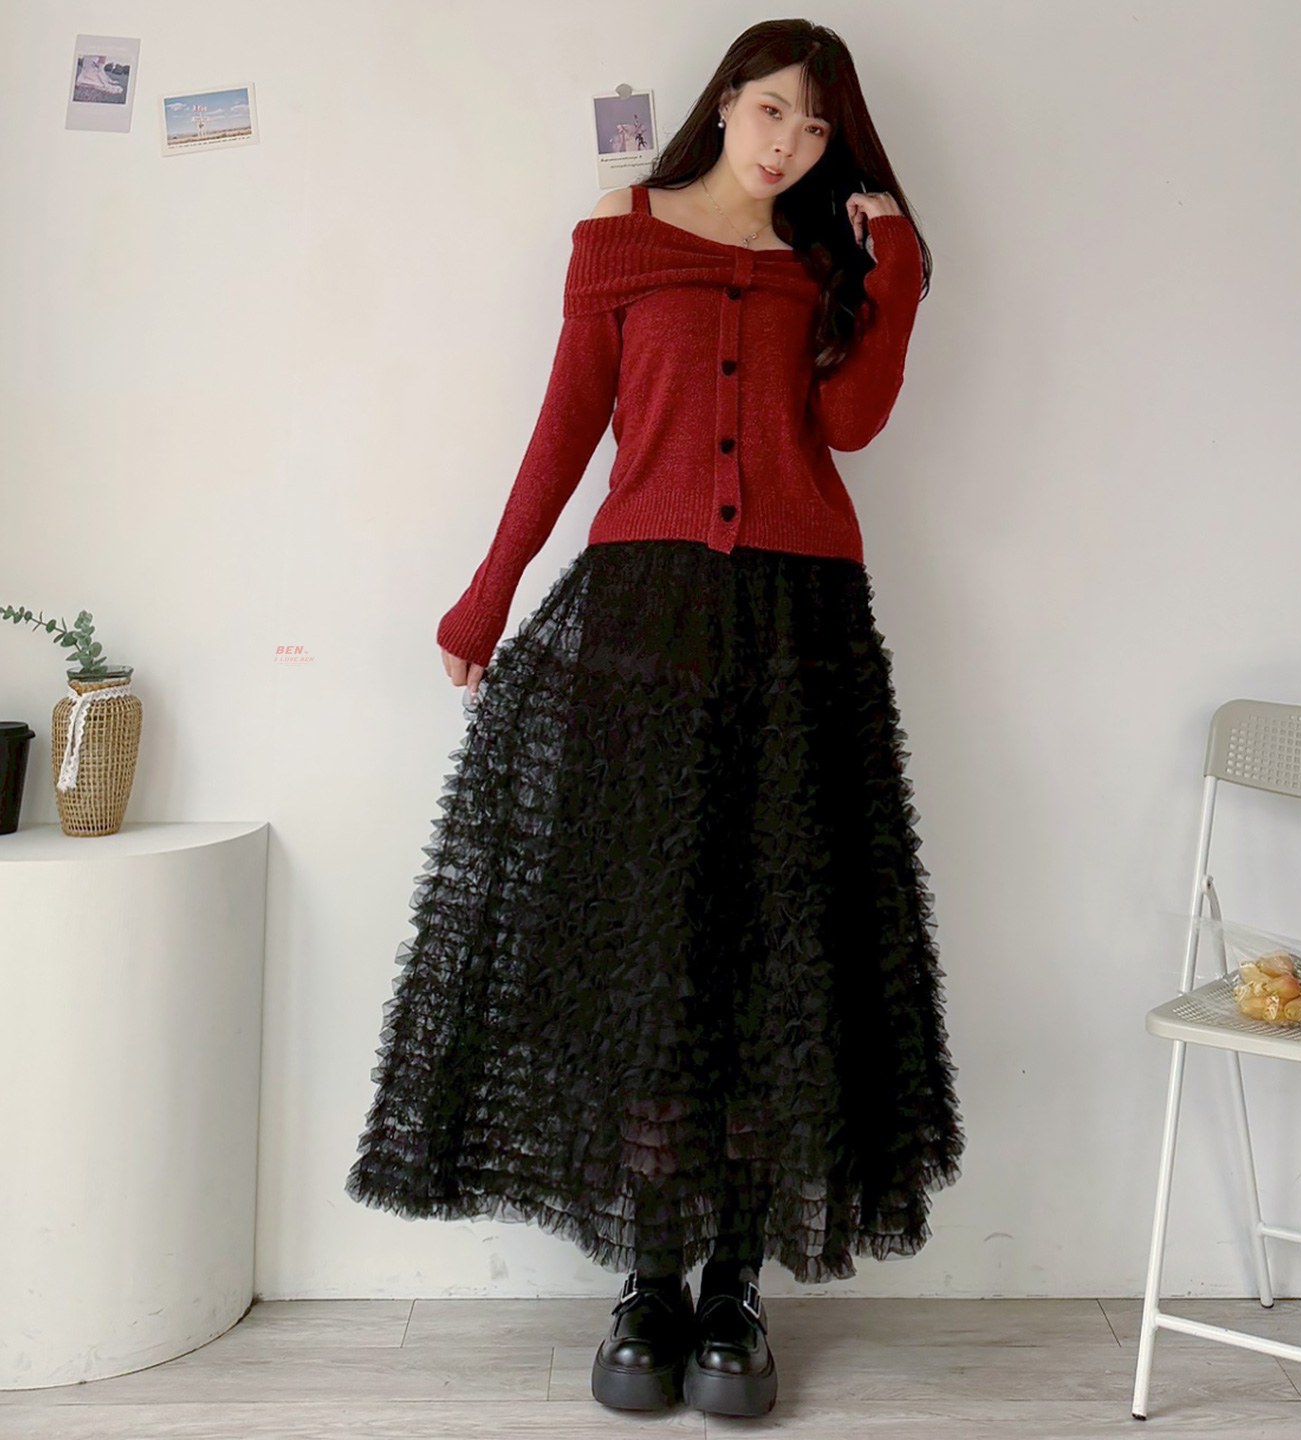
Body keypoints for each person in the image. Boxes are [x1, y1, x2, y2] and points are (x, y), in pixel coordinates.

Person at [346, 17, 964, 1420]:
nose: (789, 142)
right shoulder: (618, 241)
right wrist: (486, 598)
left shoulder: (826, 266)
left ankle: (737, 1285)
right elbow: (565, 428)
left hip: (799, 635)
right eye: (773, 109)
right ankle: (650, 1277)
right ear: (726, 101)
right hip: (644, 626)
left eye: (817, 127)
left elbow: (852, 426)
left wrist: (895, 269)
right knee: (649, 960)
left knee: (769, 959)